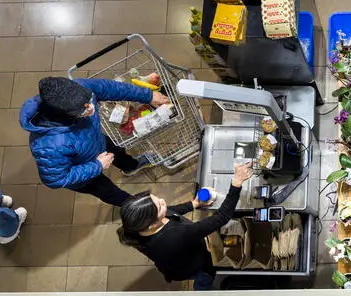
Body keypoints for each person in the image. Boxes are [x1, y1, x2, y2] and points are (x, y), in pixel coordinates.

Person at [20, 77, 170, 207]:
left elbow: (110, 88)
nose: (92, 107)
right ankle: (136, 207)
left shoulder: (78, 90)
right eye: (83, 110)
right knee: (109, 191)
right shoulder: (49, 146)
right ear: (64, 116)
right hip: (86, 175)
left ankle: (132, 166)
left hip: (97, 141)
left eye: (88, 102)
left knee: (117, 151)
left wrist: (148, 95)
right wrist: (96, 166)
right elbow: (56, 179)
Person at [117, 162, 253, 291]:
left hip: (177, 259)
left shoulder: (138, 226)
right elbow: (221, 217)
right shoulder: (175, 235)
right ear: (151, 225)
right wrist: (236, 183)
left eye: (157, 198)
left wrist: (193, 204)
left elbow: (171, 211)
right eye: (159, 206)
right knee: (204, 278)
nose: (163, 201)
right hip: (194, 266)